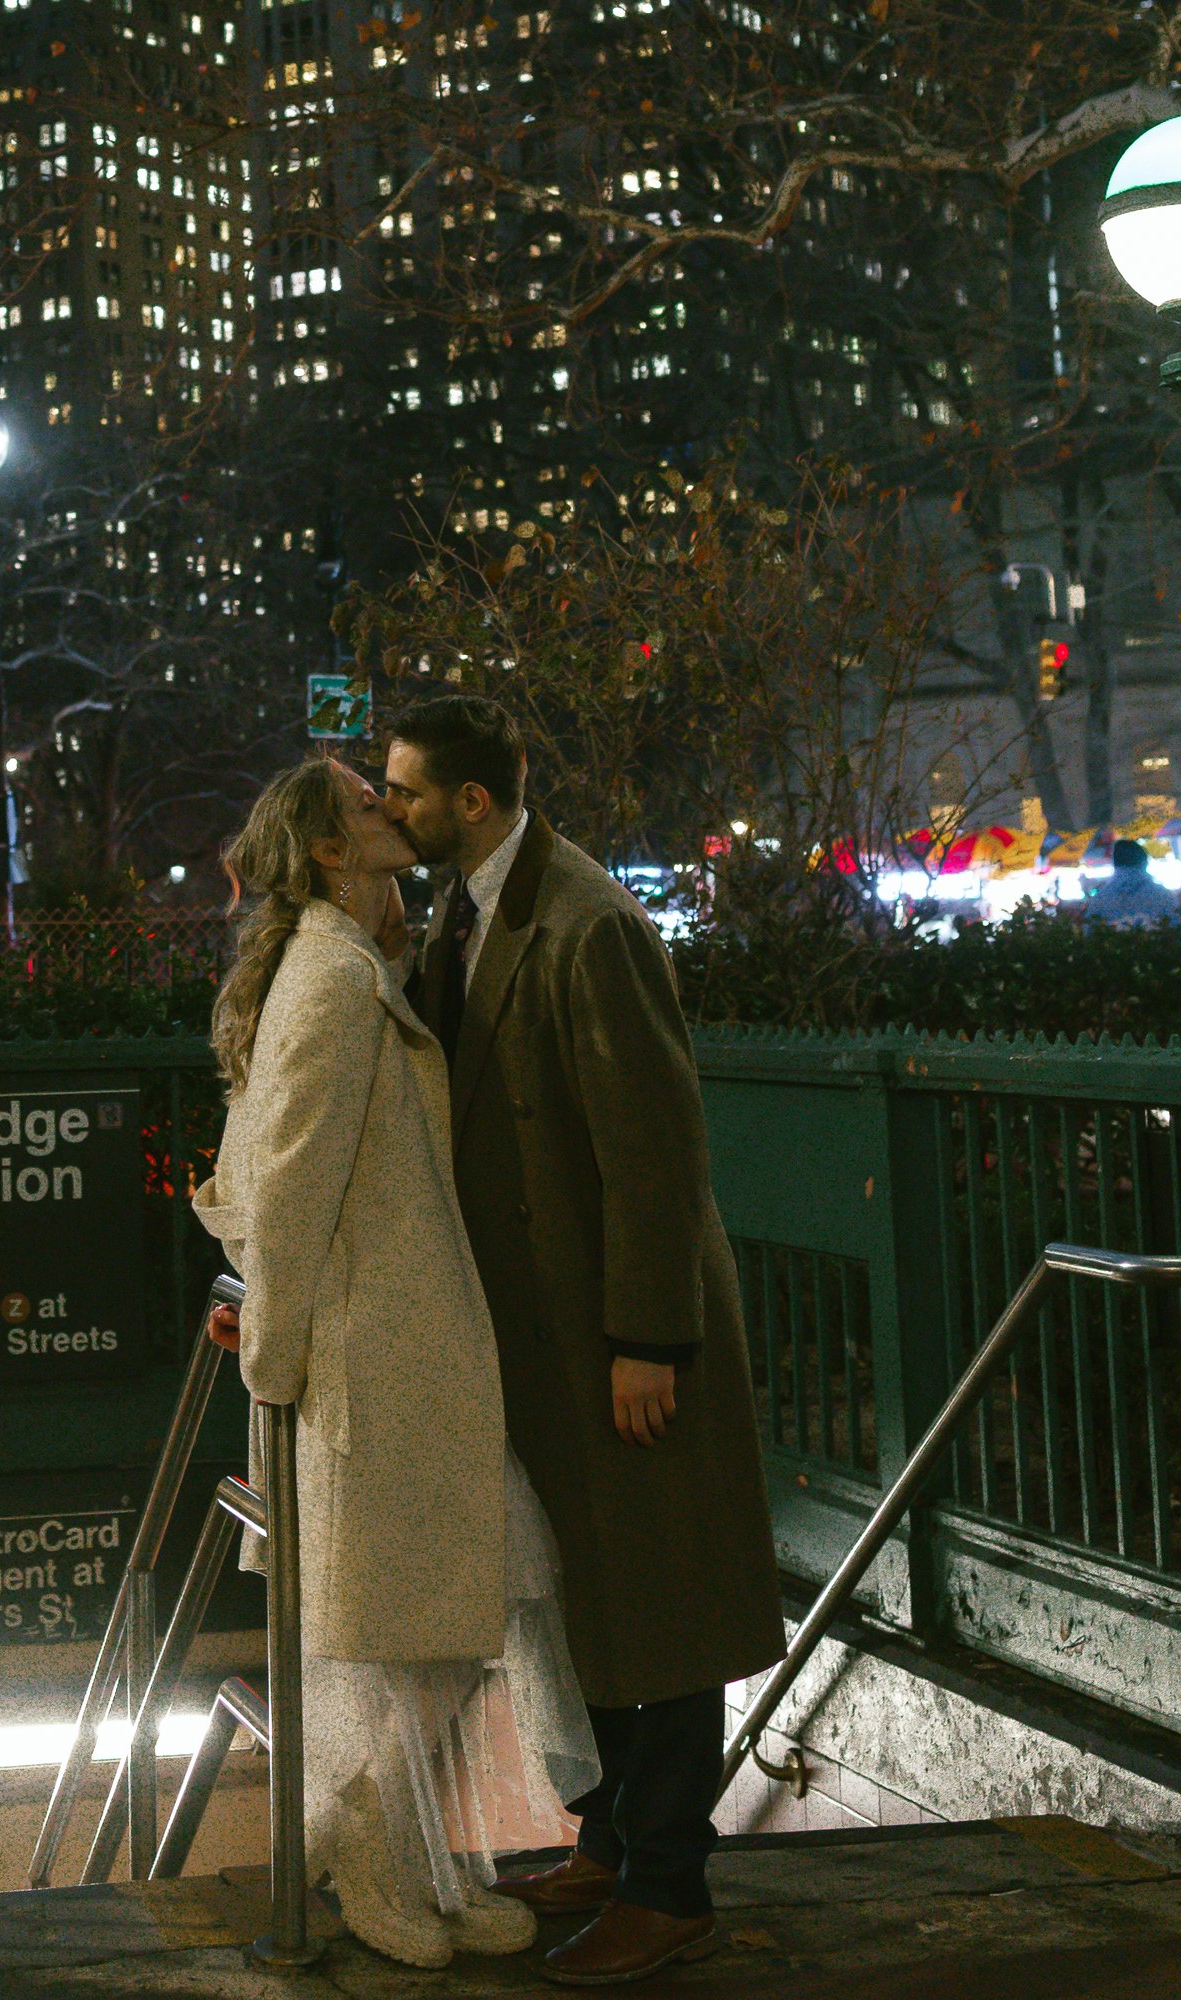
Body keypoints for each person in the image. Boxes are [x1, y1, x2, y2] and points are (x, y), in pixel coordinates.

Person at [382, 693, 783, 1987]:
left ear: (474, 804)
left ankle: (669, 1885)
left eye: (408, 792)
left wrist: (648, 1339)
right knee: (596, 1601)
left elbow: (652, 1150)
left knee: (661, 1601)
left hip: (616, 1335)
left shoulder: (588, 923)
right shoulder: (476, 910)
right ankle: (612, 1845)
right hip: (552, 1337)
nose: (394, 809)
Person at [191, 756, 600, 1970]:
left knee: (445, 1623)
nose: (390, 808)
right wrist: (273, 1349)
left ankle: (402, 1853)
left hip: (411, 1352)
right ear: (329, 848)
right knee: (426, 1627)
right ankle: (375, 1849)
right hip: (381, 1357)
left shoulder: (353, 961)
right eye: (368, 804)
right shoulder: (328, 975)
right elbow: (293, 1176)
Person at [1081, 839, 1181, 928]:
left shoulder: (1100, 901)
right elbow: (1180, 932)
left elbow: (1090, 936)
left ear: (1115, 864)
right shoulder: (1165, 897)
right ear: (1144, 863)